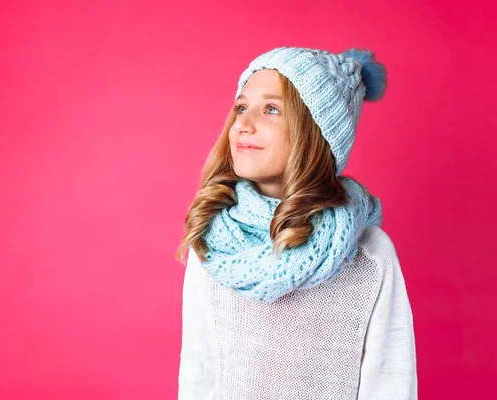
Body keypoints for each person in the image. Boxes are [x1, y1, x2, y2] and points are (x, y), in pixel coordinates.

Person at [175, 46, 418, 399]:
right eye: (241, 107)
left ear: (318, 133)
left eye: (271, 109)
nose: (242, 124)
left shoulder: (368, 254)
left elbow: (391, 382)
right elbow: (199, 373)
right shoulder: (214, 242)